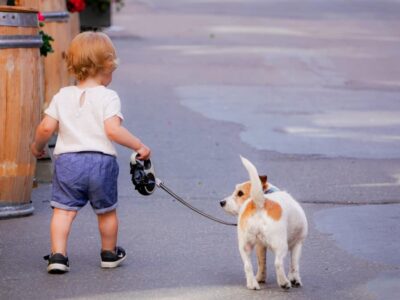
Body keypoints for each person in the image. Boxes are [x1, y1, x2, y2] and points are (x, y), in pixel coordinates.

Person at [31, 31, 151, 274]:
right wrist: (139, 146)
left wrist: (37, 147)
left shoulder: (62, 95)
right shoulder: (108, 97)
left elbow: (46, 127)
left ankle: (58, 256)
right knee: (106, 212)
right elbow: (113, 130)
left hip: (68, 162)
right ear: (107, 68)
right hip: (101, 162)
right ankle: (108, 253)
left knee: (63, 211)